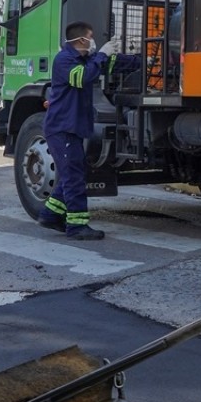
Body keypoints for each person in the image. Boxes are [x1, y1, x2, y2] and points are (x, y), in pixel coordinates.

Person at [36, 22, 139, 240]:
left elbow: (106, 65)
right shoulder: (64, 60)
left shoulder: (83, 60)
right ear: (82, 40)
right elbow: (83, 77)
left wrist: (142, 59)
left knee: (71, 173)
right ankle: (76, 226)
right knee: (74, 176)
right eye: (91, 37)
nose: (94, 42)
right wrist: (102, 54)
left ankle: (50, 214)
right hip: (62, 128)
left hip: (70, 128)